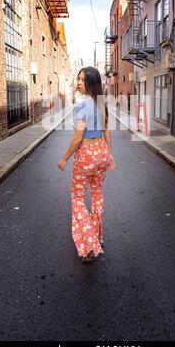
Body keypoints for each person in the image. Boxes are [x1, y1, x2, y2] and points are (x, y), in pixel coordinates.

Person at [58, 66, 115, 263]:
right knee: (97, 195)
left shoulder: (83, 106)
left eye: (83, 80)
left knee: (78, 199)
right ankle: (98, 236)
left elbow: (77, 138)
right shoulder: (101, 104)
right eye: (79, 79)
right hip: (101, 153)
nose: (79, 82)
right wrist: (110, 155)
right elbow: (107, 132)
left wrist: (65, 158)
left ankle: (90, 244)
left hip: (86, 156)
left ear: (91, 82)